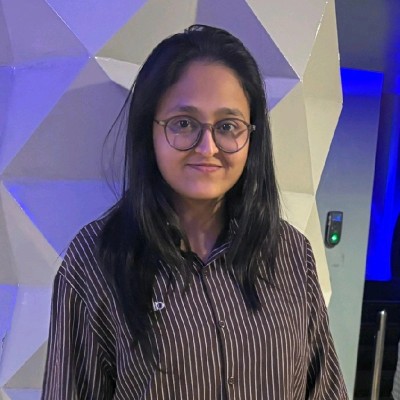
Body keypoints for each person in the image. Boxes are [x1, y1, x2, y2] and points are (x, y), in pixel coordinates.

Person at [41, 25, 348, 399]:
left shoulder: (291, 254)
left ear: (251, 136)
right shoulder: (96, 259)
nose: (207, 147)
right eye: (184, 123)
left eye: (228, 126)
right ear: (150, 131)